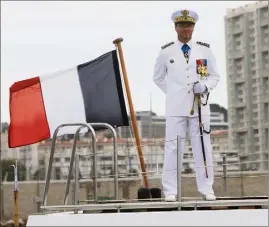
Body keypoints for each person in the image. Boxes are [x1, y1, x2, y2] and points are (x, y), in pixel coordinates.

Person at [153, 9, 220, 201]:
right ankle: (170, 191)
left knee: (203, 147)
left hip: (200, 107)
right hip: (175, 108)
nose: (186, 30)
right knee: (173, 147)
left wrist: (205, 86)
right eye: (182, 26)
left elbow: (215, 76)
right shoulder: (166, 52)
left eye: (189, 26)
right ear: (176, 28)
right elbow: (158, 78)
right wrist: (175, 94)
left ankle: (207, 189)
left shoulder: (204, 50)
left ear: (193, 28)